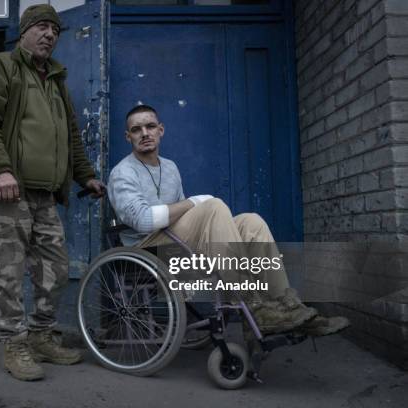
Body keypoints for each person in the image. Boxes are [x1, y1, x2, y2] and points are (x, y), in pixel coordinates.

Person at [108, 104, 349, 336]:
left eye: (150, 126)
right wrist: (194, 202)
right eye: (137, 130)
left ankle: (288, 306)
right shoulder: (122, 172)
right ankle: (252, 305)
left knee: (251, 223)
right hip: (147, 250)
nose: (145, 133)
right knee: (212, 206)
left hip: (174, 239)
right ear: (128, 136)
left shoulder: (170, 168)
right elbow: (143, 221)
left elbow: (181, 215)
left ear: (161, 130)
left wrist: (192, 207)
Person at [0, 4, 105, 381]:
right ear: (24, 31)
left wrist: (85, 176)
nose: (49, 35)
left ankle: (42, 335)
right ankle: (14, 344)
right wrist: (0, 169)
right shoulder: (2, 67)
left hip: (45, 195)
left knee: (55, 269)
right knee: (7, 270)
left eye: (55, 30)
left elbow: (70, 136)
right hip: (7, 191)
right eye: (41, 27)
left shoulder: (56, 81)